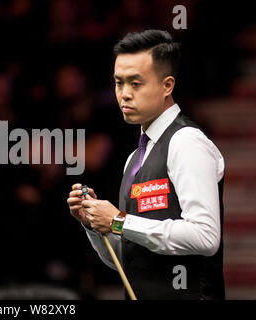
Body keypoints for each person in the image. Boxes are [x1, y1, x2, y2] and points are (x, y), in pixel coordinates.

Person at [67, 29, 225, 300]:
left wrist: (117, 221)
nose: (124, 94)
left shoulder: (185, 141)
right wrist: (96, 226)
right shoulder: (135, 158)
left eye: (136, 84)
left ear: (167, 86)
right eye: (119, 83)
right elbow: (129, 258)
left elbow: (205, 237)